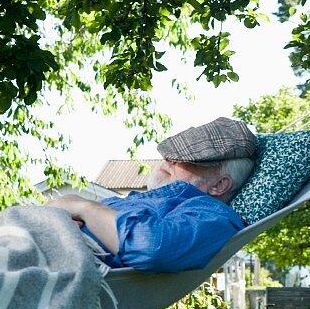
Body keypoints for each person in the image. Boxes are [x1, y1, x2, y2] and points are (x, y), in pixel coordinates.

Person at [45, 117, 257, 273]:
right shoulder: (144, 200)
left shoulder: (211, 214)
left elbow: (153, 247)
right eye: (173, 152)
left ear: (219, 185)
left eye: (188, 159)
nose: (169, 159)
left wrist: (85, 208)